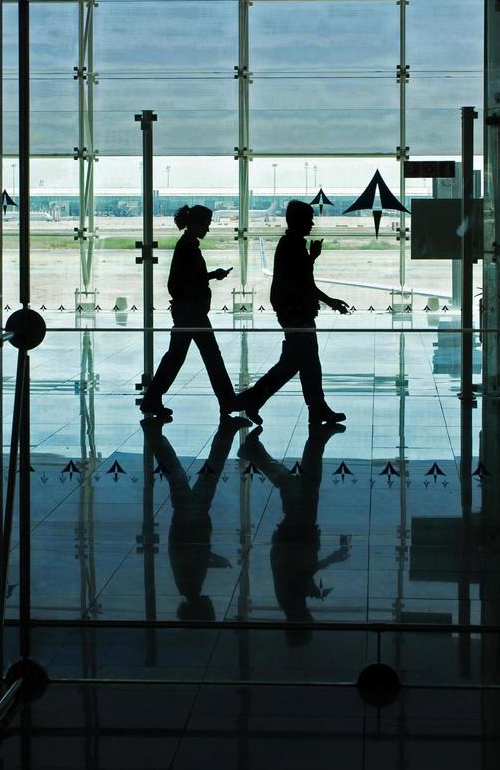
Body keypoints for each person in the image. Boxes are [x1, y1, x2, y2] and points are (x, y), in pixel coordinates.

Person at [236, 199, 349, 426]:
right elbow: (305, 284)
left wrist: (311, 258)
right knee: (308, 363)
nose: (311, 223)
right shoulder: (293, 246)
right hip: (296, 312)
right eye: (308, 219)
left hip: (293, 311)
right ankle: (314, 408)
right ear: (296, 220)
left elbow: (300, 278)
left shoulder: (292, 243)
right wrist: (331, 301)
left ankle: (254, 400)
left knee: (294, 363)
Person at [239, 423, 351, 646]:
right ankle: (310, 442)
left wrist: (332, 558)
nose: (312, 620)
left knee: (302, 486)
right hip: (295, 539)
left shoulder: (292, 605)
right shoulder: (291, 605)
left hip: (296, 539)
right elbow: (300, 577)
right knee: (301, 485)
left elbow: (300, 574)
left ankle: (315, 440)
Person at [142, 415, 251, 621]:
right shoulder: (189, 587)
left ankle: (155, 433)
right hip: (188, 518)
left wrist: (214, 559)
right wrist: (215, 559)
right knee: (183, 474)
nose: (212, 604)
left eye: (210, 609)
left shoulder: (190, 585)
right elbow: (194, 559)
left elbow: (193, 556)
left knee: (201, 473)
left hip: (192, 517)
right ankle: (154, 433)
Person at [139, 204, 240, 421]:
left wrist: (212, 275)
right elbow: (189, 281)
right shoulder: (188, 247)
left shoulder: (187, 245)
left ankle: (153, 398)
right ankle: (227, 400)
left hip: (187, 311)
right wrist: (213, 276)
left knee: (177, 357)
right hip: (191, 312)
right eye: (206, 224)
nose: (208, 229)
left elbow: (185, 280)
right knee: (211, 356)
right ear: (195, 224)